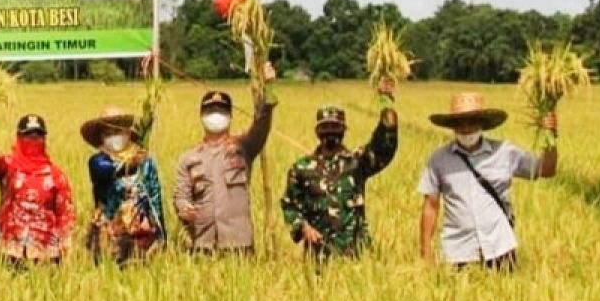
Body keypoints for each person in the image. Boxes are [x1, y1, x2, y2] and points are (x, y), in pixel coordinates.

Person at [418, 93, 558, 271]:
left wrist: (550, 136)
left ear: (482, 123)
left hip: (500, 248)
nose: (466, 128)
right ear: (452, 126)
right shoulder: (438, 160)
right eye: (460, 123)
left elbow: (546, 170)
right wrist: (425, 251)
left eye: (472, 121)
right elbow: (430, 206)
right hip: (458, 252)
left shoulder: (504, 152)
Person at [281, 78, 398, 260]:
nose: (330, 132)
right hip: (318, 257)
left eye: (335, 127)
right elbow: (289, 206)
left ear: (343, 130)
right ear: (317, 131)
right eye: (325, 127)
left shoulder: (357, 163)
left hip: (357, 256)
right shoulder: (301, 169)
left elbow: (383, 148)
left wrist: (386, 104)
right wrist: (303, 227)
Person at [174, 63, 277, 256]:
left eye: (221, 111)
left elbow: (261, 124)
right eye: (210, 111)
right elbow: (181, 195)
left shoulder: (242, 148)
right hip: (202, 245)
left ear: (230, 116)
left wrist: (267, 89)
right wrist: (183, 209)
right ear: (201, 116)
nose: (215, 115)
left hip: (239, 245)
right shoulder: (188, 159)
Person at [0, 112, 75, 266]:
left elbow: (65, 213)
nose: (33, 140)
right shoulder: (7, 166)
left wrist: (66, 245)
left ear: (44, 140)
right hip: (7, 250)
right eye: (27, 136)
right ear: (19, 138)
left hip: (44, 255)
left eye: (37, 136)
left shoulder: (55, 176)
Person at [81, 106, 166, 265]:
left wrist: (162, 233)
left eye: (119, 131)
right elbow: (105, 172)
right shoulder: (98, 161)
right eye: (109, 133)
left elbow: (155, 196)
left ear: (128, 133)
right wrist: (130, 165)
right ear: (101, 137)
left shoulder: (145, 162)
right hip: (109, 230)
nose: (115, 137)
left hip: (141, 230)